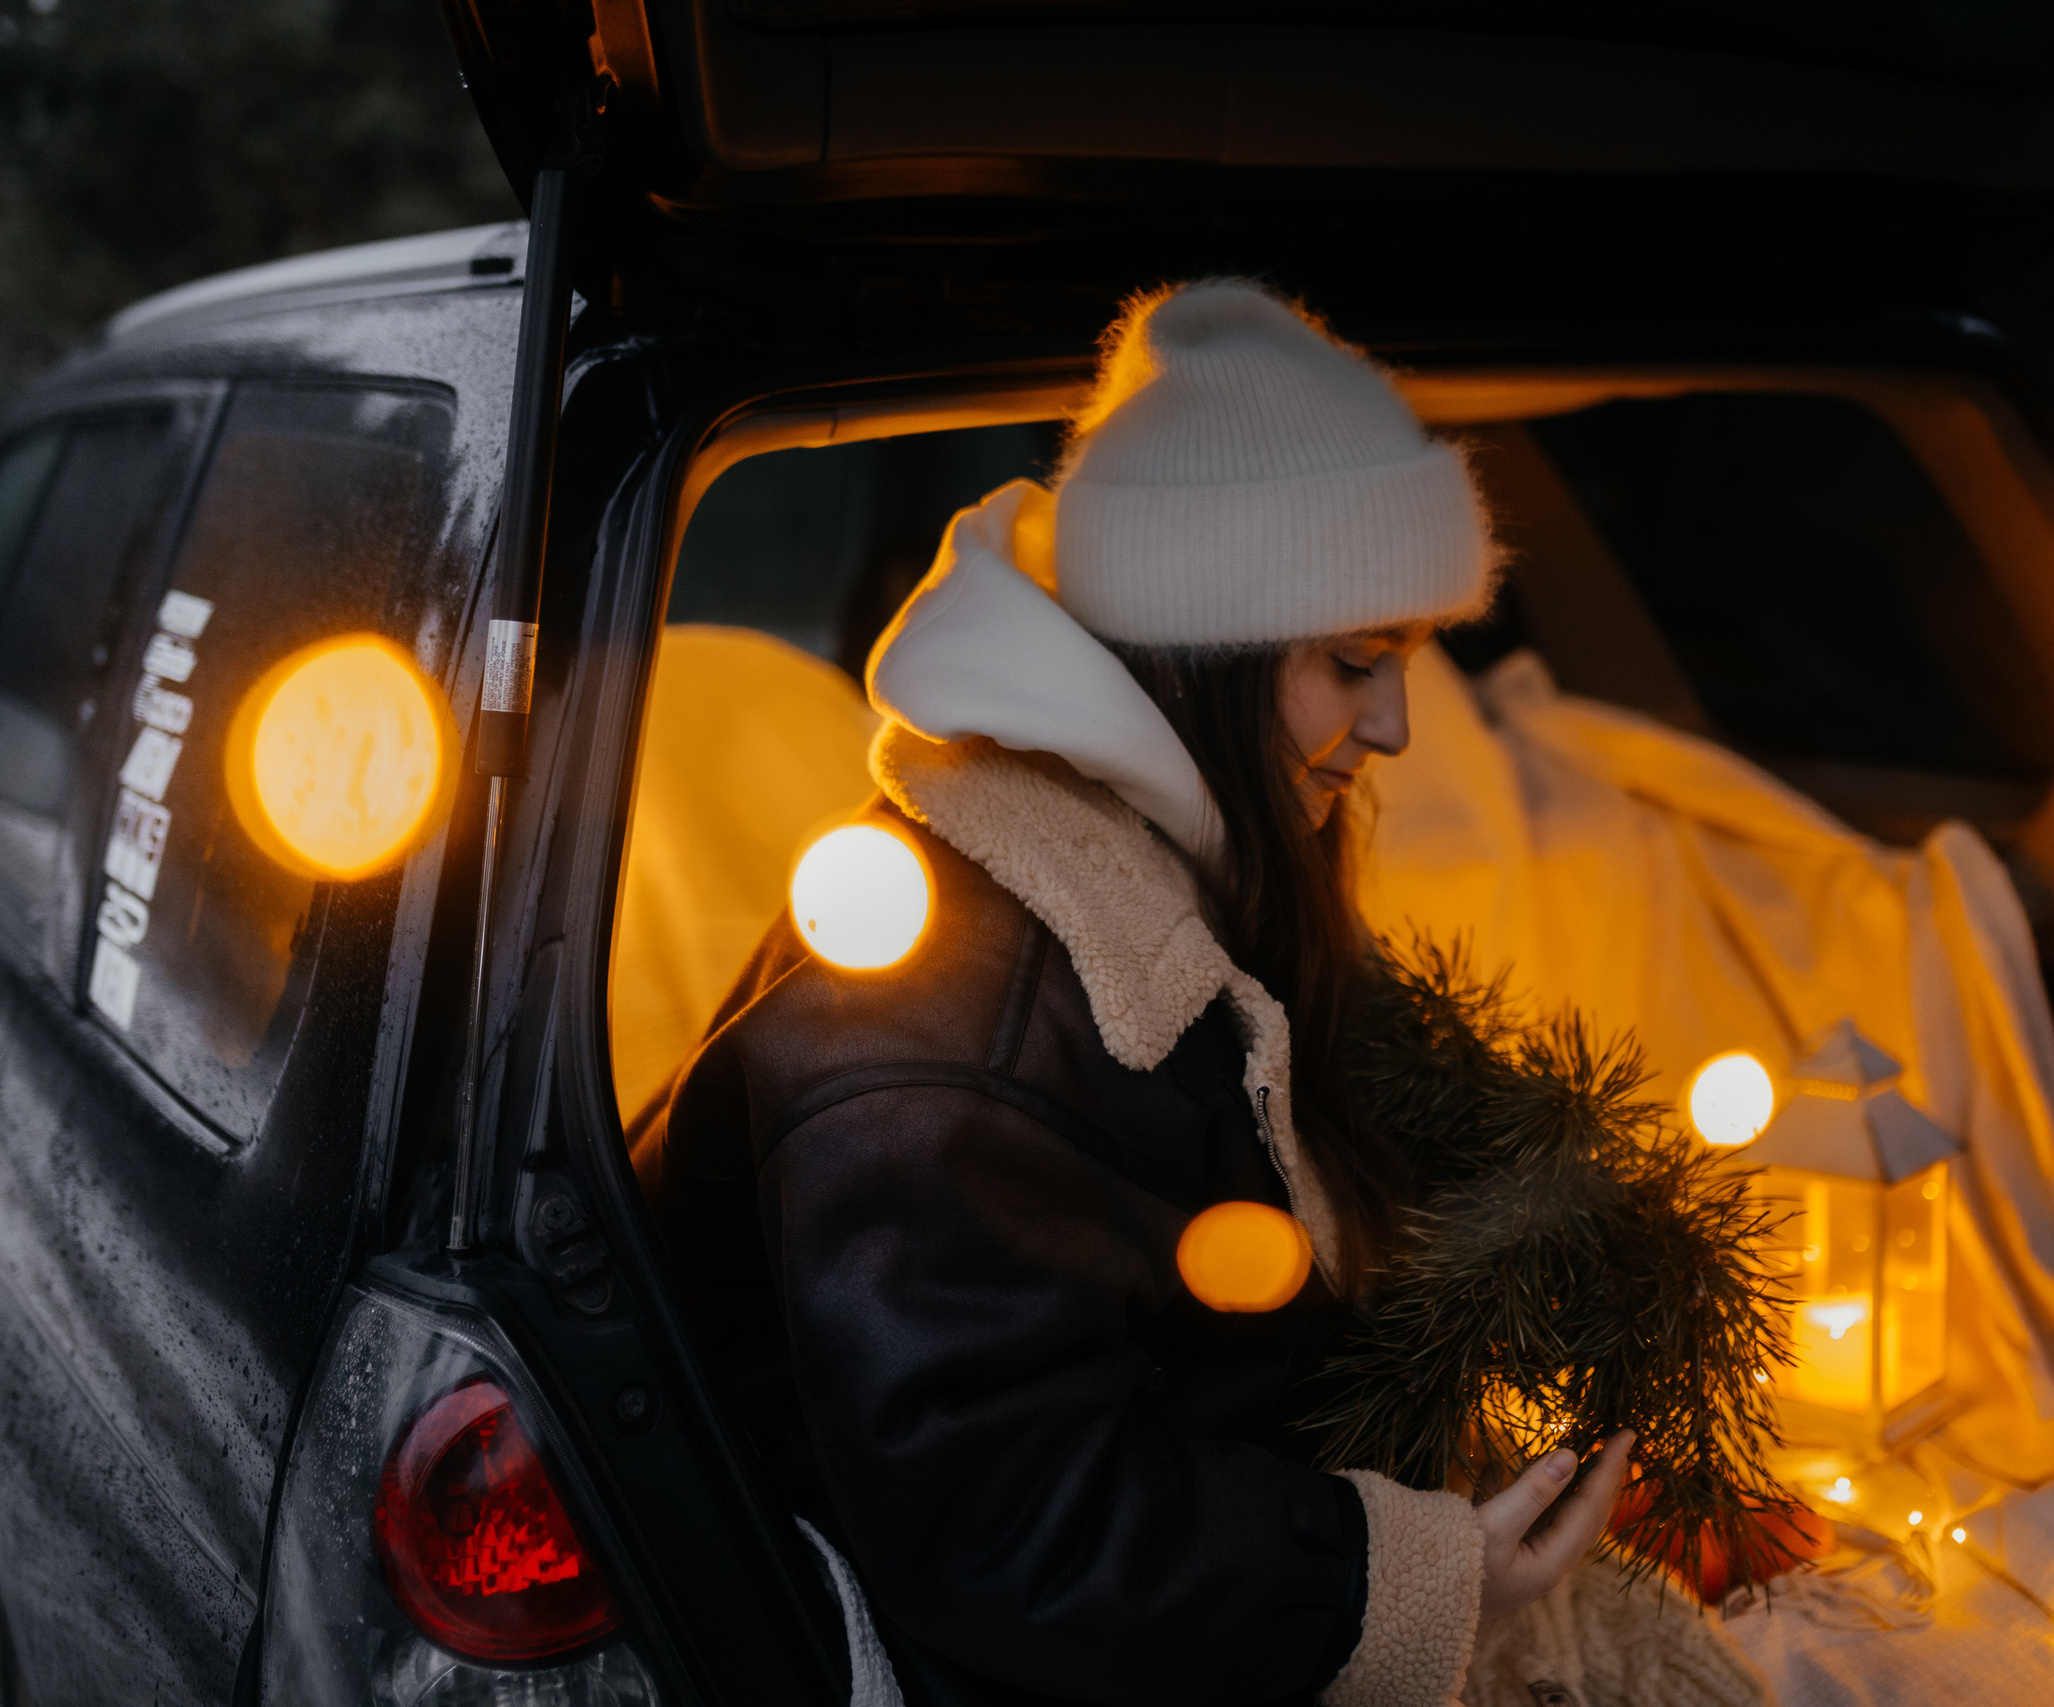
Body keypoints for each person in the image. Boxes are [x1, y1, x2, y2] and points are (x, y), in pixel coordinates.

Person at [637, 279, 1635, 1707]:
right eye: (1358, 661)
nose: (1402, 725)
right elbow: (1008, 1528)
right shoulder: (950, 1011)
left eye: (1413, 660)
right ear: (1200, 652)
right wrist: (1403, 1575)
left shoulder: (1175, 890)